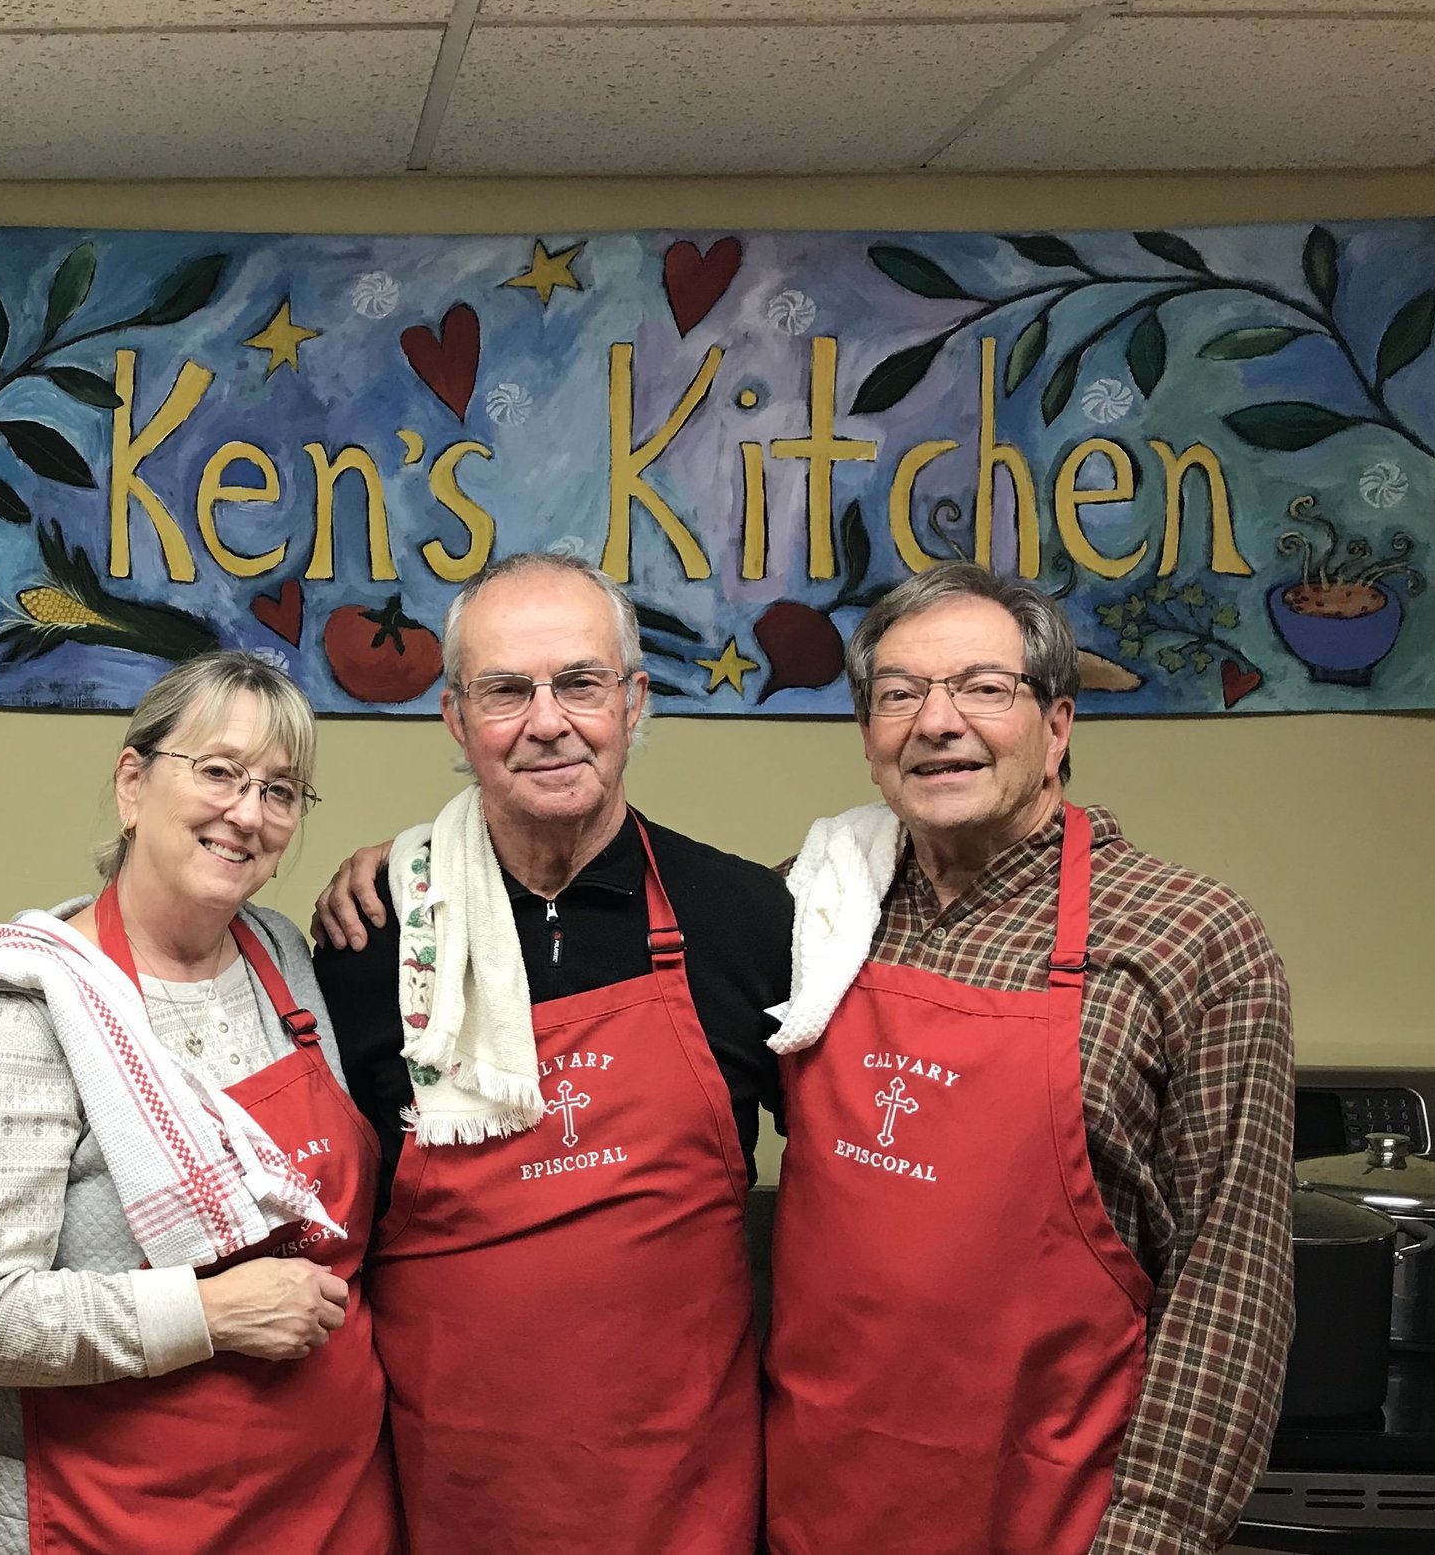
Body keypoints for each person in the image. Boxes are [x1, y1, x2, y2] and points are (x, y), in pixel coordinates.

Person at [760, 560, 1293, 1555]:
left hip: (1057, 1516)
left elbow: (1229, 1294)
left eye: (983, 688)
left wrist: (1149, 1538)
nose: (936, 721)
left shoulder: (1191, 938)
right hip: (816, 1501)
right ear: (868, 737)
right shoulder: (814, 906)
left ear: (1056, 725)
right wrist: (418, 871)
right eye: (898, 694)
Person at [311, 551, 790, 1555]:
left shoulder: (745, 918)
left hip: (687, 1498)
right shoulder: (377, 935)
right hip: (455, 1493)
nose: (545, 722)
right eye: (504, 691)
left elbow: (852, 1202)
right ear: (454, 718)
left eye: (578, 683)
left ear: (633, 699)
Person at [0, 650, 398, 1555]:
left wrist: (413, 858)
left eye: (280, 791)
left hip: (325, 1507)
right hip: (109, 1515)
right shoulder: (24, 1011)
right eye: (221, 773)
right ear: (132, 782)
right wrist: (210, 1314)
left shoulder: (280, 956)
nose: (248, 813)